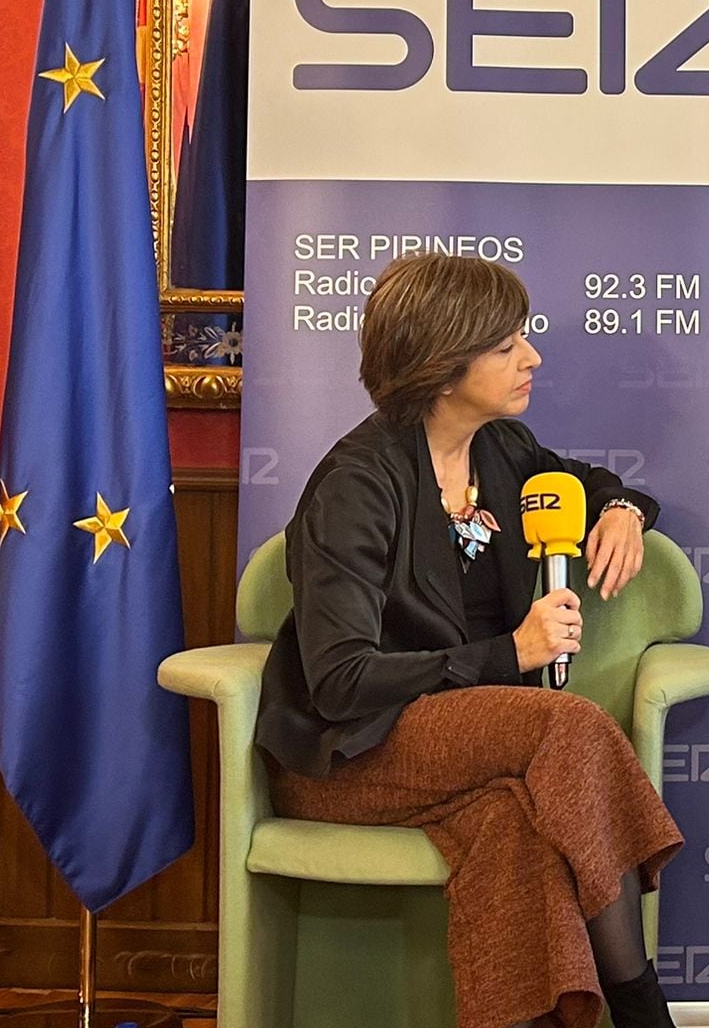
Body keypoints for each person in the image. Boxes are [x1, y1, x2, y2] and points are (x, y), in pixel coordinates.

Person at [255, 252, 679, 1028]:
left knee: (514, 826)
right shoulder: (358, 482)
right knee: (570, 723)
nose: (533, 357)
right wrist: (507, 654)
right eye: (506, 345)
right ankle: (645, 1013)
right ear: (443, 364)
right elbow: (340, 680)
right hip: (351, 754)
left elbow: (597, 484)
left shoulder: (503, 452)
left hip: (466, 748)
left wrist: (623, 512)